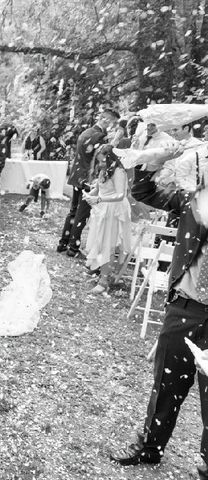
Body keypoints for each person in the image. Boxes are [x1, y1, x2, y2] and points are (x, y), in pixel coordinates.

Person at [110, 155, 208, 480]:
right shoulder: (195, 191)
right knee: (167, 383)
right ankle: (150, 446)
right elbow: (146, 192)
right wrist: (151, 160)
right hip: (187, 305)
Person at [57, 109, 120, 257]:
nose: (113, 126)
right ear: (104, 120)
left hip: (78, 176)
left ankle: (63, 243)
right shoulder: (99, 136)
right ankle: (73, 247)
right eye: (112, 123)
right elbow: (102, 159)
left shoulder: (87, 132)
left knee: (74, 211)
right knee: (82, 213)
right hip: (88, 179)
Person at [82, 145, 131, 293]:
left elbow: (120, 195)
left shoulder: (119, 171)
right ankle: (101, 274)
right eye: (99, 161)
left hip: (114, 211)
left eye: (103, 161)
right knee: (100, 242)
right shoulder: (105, 170)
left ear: (112, 158)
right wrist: (89, 195)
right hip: (102, 210)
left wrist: (99, 199)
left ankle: (104, 282)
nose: (101, 164)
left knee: (107, 245)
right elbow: (97, 189)